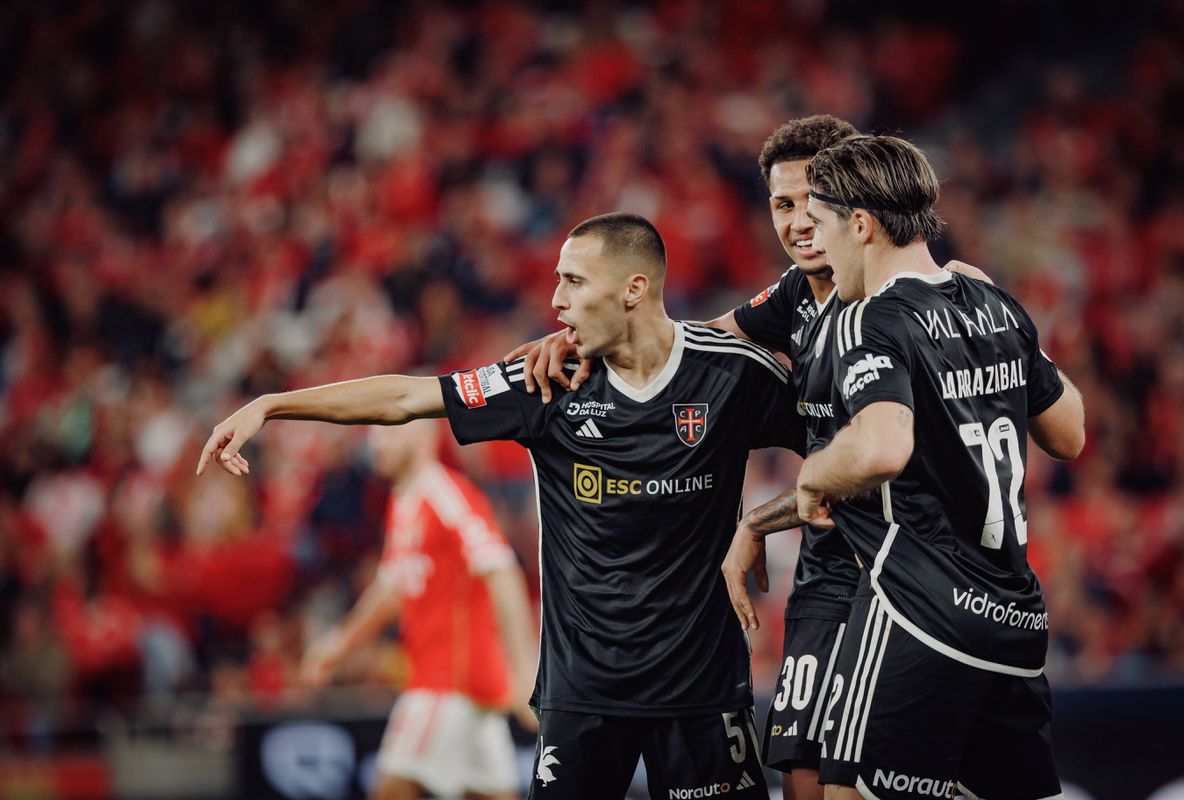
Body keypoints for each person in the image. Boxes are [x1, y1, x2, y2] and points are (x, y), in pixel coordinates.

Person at [197, 212, 808, 800]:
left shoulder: (733, 374)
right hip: (583, 694)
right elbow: (407, 398)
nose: (556, 301)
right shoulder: (545, 381)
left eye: (573, 281)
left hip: (702, 692)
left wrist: (764, 520)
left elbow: (843, 445)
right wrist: (274, 404)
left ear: (634, 289)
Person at [506, 115, 989, 800]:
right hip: (829, 568)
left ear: (853, 204)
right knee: (802, 773)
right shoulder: (794, 295)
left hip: (907, 573)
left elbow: (916, 454)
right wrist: (592, 339)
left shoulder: (908, 303)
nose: (796, 222)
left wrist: (756, 522)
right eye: (782, 204)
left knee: (875, 780)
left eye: (811, 202)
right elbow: (687, 344)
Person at [792, 134, 1085, 800]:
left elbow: (881, 448)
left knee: (844, 794)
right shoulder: (994, 303)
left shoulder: (870, 319)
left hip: (920, 613)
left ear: (860, 224)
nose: (817, 245)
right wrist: (1011, 333)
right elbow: (1070, 433)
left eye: (821, 225)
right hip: (1013, 623)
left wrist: (814, 473)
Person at [299, 421, 537, 800]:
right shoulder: (404, 500)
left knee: (391, 789)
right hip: (468, 690)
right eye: (375, 434)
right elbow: (391, 588)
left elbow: (502, 569)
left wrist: (524, 672)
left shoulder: (444, 493)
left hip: (447, 683)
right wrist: (339, 645)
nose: (377, 443)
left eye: (389, 431)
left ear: (424, 436)